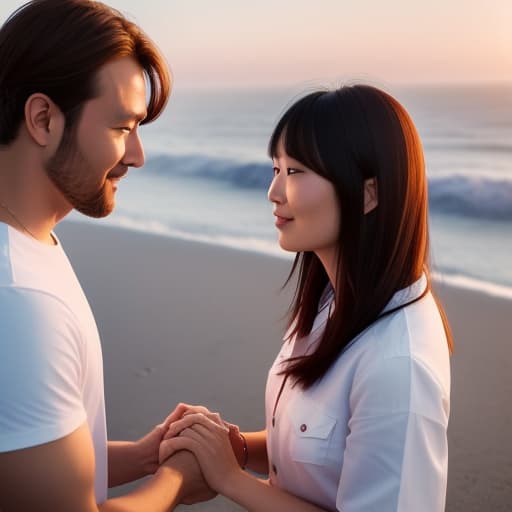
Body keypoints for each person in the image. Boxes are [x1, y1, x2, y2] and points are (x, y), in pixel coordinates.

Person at [159, 84, 453, 511]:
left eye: (295, 172)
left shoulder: (398, 367)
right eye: (276, 168)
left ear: (368, 193)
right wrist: (233, 446)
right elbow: (316, 447)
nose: (273, 192)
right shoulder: (335, 298)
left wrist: (229, 477)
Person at [0, 1, 213, 510]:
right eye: (122, 127)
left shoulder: (31, 246)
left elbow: (26, 460)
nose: (138, 155)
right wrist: (176, 481)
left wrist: (144, 456)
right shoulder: (20, 301)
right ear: (44, 118)